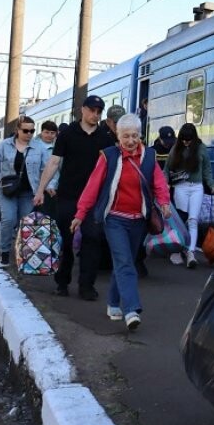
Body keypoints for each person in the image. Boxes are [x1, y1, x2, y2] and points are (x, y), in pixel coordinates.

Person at [70, 113, 171, 330]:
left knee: (124, 262)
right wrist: (80, 214)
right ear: (118, 136)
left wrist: (164, 203)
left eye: (135, 135)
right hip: (114, 219)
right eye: (126, 136)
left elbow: (159, 183)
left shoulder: (149, 157)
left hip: (138, 221)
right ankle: (131, 309)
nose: (131, 141)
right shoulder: (109, 156)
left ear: (140, 136)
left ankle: (113, 302)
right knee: (125, 262)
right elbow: (92, 186)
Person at [33, 95, 116, 300]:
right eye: (92, 110)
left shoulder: (105, 138)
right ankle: (62, 282)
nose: (95, 115)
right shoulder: (67, 134)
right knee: (66, 240)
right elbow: (53, 163)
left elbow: (111, 169)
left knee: (92, 239)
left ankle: (86, 286)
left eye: (99, 112)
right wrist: (40, 190)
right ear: (83, 110)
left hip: (94, 200)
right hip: (68, 197)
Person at [0, 116, 52, 267]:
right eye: (25, 130)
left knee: (24, 223)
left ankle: (23, 254)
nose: (29, 134)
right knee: (8, 220)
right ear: (17, 130)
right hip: (7, 191)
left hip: (29, 192)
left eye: (32, 130)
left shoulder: (39, 148)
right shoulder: (4, 146)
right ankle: (4, 252)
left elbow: (47, 169)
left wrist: (50, 186)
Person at [164, 123, 214, 268]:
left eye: (189, 140)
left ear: (194, 138)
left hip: (197, 188)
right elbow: (167, 169)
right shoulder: (176, 148)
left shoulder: (201, 148)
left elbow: (207, 169)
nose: (186, 142)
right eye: (184, 139)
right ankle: (178, 249)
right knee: (181, 220)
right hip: (180, 187)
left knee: (193, 219)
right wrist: (164, 184)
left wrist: (211, 185)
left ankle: (191, 252)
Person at [35, 120, 60, 218]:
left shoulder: (58, 146)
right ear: (41, 132)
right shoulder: (33, 145)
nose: (49, 135)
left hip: (52, 188)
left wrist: (52, 184)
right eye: (46, 132)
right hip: (35, 187)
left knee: (48, 216)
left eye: (52, 133)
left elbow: (57, 170)